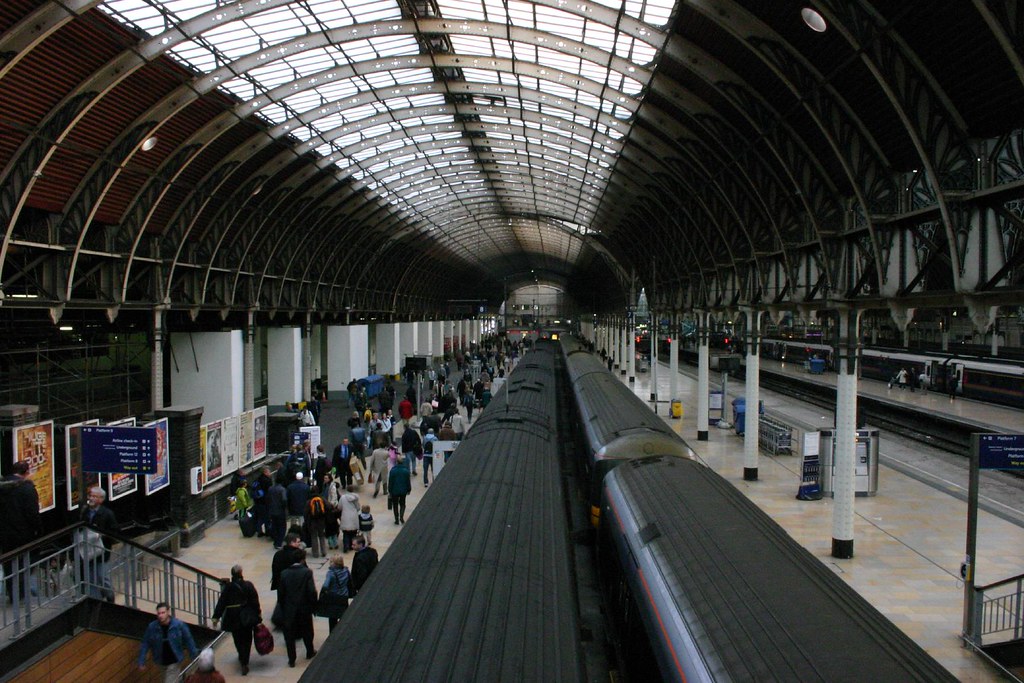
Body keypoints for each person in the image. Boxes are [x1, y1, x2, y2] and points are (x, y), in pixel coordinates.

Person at [0, 461, 42, 601]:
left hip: (5, 533)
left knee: (8, 564)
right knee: (24, 564)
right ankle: (21, 594)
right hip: (24, 533)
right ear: (26, 472)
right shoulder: (27, 489)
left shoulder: (2, 486)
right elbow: (32, 513)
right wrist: (37, 529)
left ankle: (12, 594)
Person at [212, 565, 261, 676]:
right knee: (247, 639)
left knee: (237, 638)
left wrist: (216, 617)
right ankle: (245, 660)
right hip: (246, 616)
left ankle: (241, 655)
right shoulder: (248, 585)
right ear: (241, 572)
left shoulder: (228, 587)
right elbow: (255, 601)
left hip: (233, 617)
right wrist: (258, 614)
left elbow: (222, 603)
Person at [138, 602, 199, 682]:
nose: (160, 616)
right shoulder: (152, 627)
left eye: (163, 613)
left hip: (174, 660)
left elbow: (188, 639)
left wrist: (194, 655)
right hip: (161, 662)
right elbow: (145, 643)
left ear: (168, 612)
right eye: (159, 613)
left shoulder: (178, 625)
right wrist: (141, 660)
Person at [278, 549, 317, 667]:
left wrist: (283, 606)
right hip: (304, 608)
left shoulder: (284, 573)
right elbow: (311, 591)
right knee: (307, 631)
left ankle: (292, 659)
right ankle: (309, 651)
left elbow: (281, 593)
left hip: (289, 609)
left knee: (289, 635)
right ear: (303, 560)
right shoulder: (307, 572)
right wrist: (313, 605)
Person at [81, 485, 117, 601]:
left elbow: (115, 531)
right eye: (90, 496)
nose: (91, 498)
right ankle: (95, 600)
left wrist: (103, 535)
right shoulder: (84, 511)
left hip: (101, 551)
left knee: (102, 576)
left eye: (95, 497)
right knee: (90, 578)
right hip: (87, 550)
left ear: (101, 499)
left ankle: (109, 595)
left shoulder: (107, 514)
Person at [318, 555, 351, 631]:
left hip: (333, 598)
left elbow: (326, 585)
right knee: (344, 617)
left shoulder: (331, 573)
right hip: (344, 596)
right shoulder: (346, 570)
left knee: (332, 619)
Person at [306, 484, 328, 559]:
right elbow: (328, 507)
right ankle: (323, 551)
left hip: (312, 521)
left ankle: (315, 553)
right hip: (321, 520)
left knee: (314, 537)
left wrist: (307, 522)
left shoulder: (309, 501)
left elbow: (306, 512)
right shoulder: (322, 499)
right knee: (322, 536)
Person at [388, 455, 412, 525]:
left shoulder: (392, 471)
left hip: (394, 491)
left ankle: (396, 519)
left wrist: (390, 490)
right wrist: (409, 489)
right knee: (402, 504)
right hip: (403, 490)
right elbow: (408, 481)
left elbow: (390, 482)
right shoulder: (406, 471)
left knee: (395, 505)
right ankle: (401, 516)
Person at [251, 466, 273, 538]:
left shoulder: (258, 479)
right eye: (269, 472)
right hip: (265, 502)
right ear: (265, 472)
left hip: (257, 501)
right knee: (267, 517)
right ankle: (268, 531)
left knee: (260, 517)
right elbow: (269, 491)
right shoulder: (267, 481)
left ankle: (259, 531)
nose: (270, 473)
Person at [268, 474, 288, 548]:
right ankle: (279, 542)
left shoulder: (270, 489)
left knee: (275, 526)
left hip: (272, 510)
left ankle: (276, 541)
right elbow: (284, 500)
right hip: (280, 511)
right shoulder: (282, 489)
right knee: (282, 527)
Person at [339, 485, 361, 552]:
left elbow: (339, 507)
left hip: (345, 516)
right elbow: (358, 508)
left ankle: (346, 547)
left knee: (346, 533)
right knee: (353, 533)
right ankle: (352, 546)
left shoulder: (343, 497)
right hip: (353, 516)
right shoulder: (356, 498)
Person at [323, 472, 341, 550]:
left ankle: (333, 543)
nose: (325, 479)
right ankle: (333, 542)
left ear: (330, 479)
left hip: (330, 507)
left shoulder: (332, 487)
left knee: (331, 526)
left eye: (326, 478)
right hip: (328, 506)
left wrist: (331, 505)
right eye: (324, 478)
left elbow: (334, 497)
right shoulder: (326, 485)